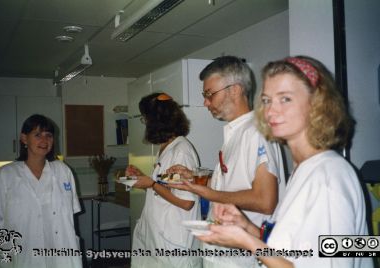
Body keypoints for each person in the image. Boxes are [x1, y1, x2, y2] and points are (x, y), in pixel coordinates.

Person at [197, 56, 373, 268]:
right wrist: (246, 227)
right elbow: (293, 253)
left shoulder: (329, 177)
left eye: (285, 99)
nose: (270, 110)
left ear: (317, 103)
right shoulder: (305, 170)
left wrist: (247, 241)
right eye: (266, 100)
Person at [167, 55, 286, 268]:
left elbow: (266, 201)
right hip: (220, 255)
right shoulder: (234, 134)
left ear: (235, 90)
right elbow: (232, 183)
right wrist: (194, 177)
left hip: (242, 260)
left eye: (209, 94)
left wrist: (208, 193)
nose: (205, 102)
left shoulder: (258, 133)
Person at [0, 114, 82, 268]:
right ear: (24, 138)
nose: (44, 140)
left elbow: (70, 218)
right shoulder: (3, 176)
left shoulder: (63, 171)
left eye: (49, 135)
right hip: (22, 258)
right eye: (37, 134)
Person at [126, 92, 202, 268]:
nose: (145, 123)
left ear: (155, 120)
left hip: (173, 242)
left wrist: (151, 183)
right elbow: (165, 188)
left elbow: (186, 202)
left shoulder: (180, 151)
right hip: (157, 238)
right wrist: (144, 180)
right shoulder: (168, 148)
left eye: (145, 118)